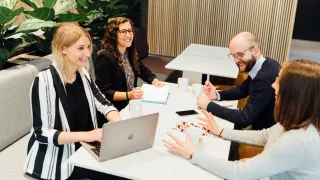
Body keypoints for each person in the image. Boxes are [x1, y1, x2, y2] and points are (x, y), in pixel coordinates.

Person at [164, 60, 320, 179]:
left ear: (294, 93)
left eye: (279, 81)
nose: (273, 85)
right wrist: (221, 131)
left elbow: (238, 173)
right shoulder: (300, 121)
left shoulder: (296, 142)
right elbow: (264, 136)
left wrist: (193, 154)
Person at [23, 23, 122, 180]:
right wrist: (86, 135)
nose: (88, 53)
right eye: (81, 48)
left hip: (85, 148)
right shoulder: (44, 80)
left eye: (88, 47)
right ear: (63, 48)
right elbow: (42, 133)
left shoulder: (82, 73)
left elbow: (102, 102)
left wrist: (117, 122)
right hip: (58, 159)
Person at [197, 32, 281, 130]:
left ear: (256, 51)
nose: (236, 61)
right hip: (261, 124)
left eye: (240, 55)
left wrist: (208, 105)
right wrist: (217, 95)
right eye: (234, 56)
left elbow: (244, 118)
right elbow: (244, 89)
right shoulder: (266, 63)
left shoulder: (263, 78)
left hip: (263, 133)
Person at [95, 17, 164, 112]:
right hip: (114, 109)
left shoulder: (129, 52)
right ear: (114, 35)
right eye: (123, 31)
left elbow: (143, 71)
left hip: (132, 103)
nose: (128, 35)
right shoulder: (105, 57)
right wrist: (129, 95)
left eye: (130, 30)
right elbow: (104, 92)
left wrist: (155, 81)